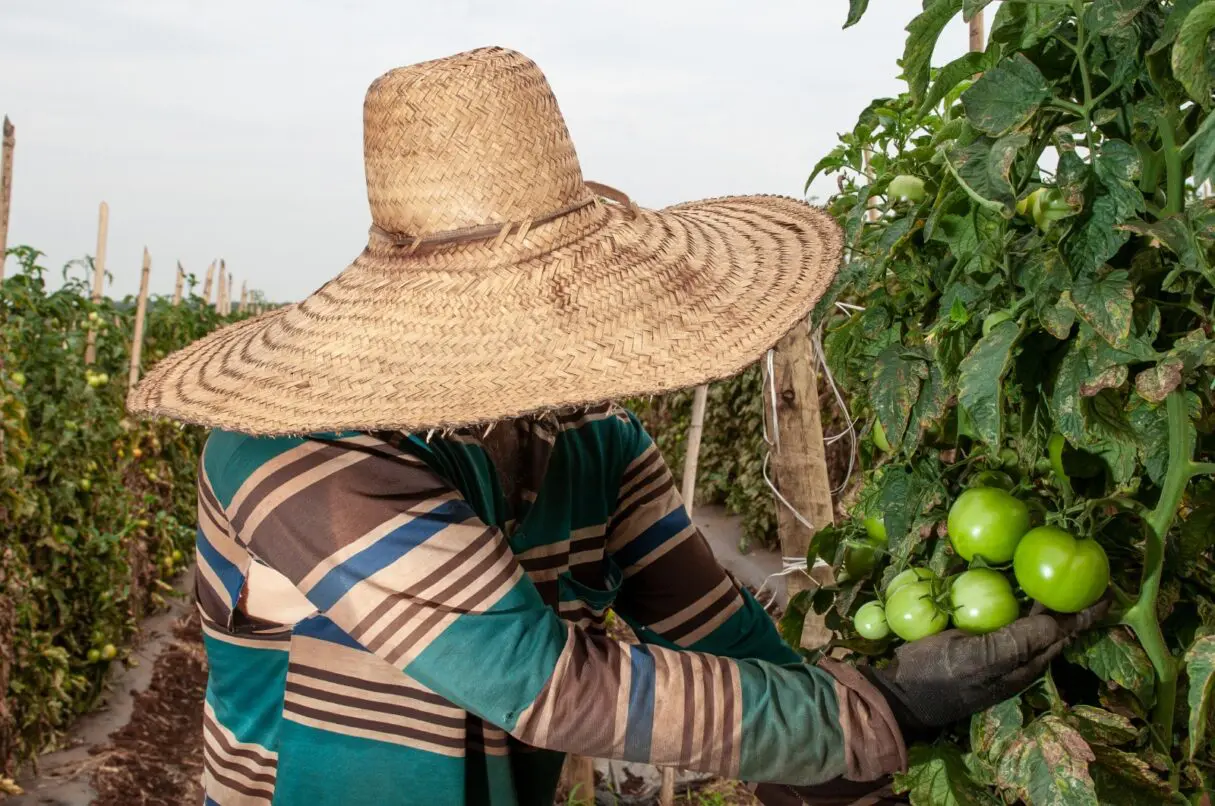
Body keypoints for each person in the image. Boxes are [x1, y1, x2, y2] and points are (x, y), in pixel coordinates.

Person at [129, 47, 1107, 806]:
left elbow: (719, 639)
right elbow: (545, 682)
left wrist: (848, 758)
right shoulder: (294, 452)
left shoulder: (594, 442)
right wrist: (884, 707)